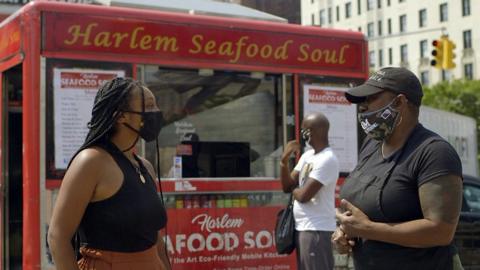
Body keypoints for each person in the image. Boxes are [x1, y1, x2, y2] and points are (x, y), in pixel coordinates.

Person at [333, 67, 463, 269]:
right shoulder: (371, 145)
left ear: (400, 102)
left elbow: (441, 230)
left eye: (370, 98)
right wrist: (344, 233)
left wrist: (367, 229)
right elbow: (359, 216)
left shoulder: (434, 153)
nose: (362, 107)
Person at [48, 78, 171, 270]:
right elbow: (58, 236)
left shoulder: (145, 166)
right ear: (121, 116)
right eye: (148, 105)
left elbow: (154, 237)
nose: (156, 112)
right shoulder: (91, 161)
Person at [280, 112, 340, 270]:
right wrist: (284, 162)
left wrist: (295, 188)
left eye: (304, 129)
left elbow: (303, 196)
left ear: (315, 131)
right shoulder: (307, 156)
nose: (302, 134)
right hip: (303, 227)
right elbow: (287, 187)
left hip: (317, 230)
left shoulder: (327, 159)